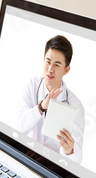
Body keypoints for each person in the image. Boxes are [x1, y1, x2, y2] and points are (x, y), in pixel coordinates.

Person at [17, 35, 85, 163]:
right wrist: (41, 107)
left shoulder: (76, 106)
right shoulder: (31, 86)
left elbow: (77, 159)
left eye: (57, 65)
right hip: (26, 157)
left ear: (66, 70)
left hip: (52, 166)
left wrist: (70, 150)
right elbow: (19, 126)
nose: (50, 69)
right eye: (47, 62)